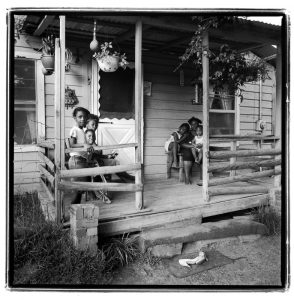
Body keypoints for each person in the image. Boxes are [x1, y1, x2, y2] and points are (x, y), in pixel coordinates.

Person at [68, 107, 92, 204]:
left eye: (84, 117)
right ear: (75, 118)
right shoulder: (75, 130)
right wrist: (84, 145)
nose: (82, 119)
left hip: (82, 160)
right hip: (76, 160)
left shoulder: (82, 131)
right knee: (78, 188)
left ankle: (77, 208)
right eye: (80, 117)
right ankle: (73, 208)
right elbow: (72, 144)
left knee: (82, 187)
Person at [179, 117, 202, 184]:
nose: (193, 126)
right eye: (192, 124)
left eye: (195, 124)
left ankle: (202, 178)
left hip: (199, 150)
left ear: (198, 124)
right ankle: (187, 177)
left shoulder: (202, 133)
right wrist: (192, 146)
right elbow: (182, 143)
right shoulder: (187, 133)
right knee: (187, 154)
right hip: (188, 149)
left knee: (203, 154)